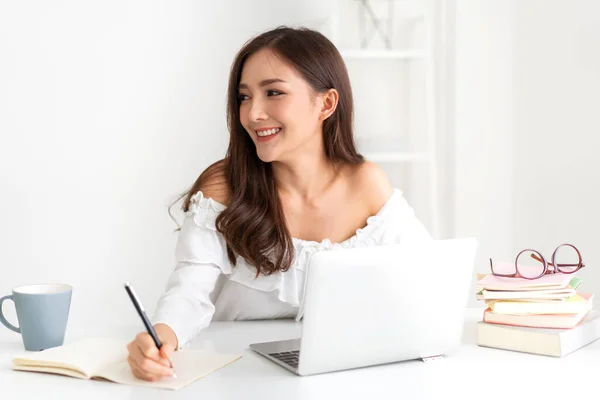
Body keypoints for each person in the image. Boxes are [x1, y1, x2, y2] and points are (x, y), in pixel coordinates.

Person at [126, 25, 432, 381]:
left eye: (273, 92)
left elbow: (426, 278)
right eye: (244, 97)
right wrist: (161, 337)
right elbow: (189, 292)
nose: (253, 114)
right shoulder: (224, 187)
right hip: (235, 376)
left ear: (326, 103)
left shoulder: (366, 184)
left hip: (336, 375)